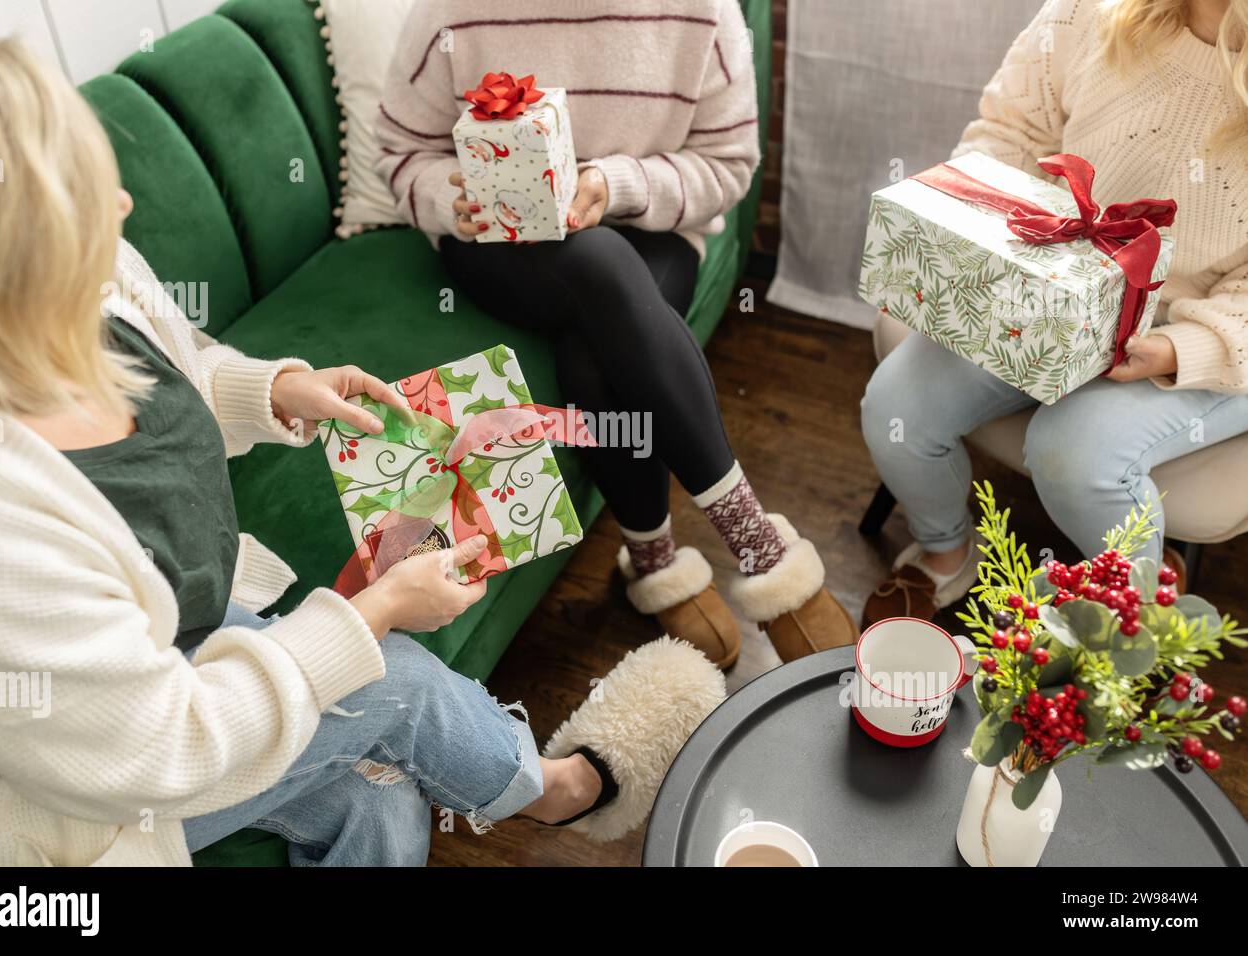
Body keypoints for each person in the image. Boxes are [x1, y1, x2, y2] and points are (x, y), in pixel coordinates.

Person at [0, 37, 722, 866]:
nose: (127, 205)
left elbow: (171, 375)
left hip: (192, 626)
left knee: (379, 802)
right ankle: (562, 793)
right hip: (96, 792)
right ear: (11, 242)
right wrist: (375, 613)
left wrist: (275, 390)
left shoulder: (92, 281)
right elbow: (160, 750)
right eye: (90, 191)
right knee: (399, 682)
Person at [375, 0, 859, 665]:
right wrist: (449, 196)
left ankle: (651, 560)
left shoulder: (702, 13)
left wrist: (615, 183)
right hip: (494, 243)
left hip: (649, 229)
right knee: (600, 265)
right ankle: (758, 547)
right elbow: (400, 153)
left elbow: (728, 167)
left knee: (598, 340)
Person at [860, 0, 1248, 626]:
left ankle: (1132, 615)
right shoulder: (1088, 12)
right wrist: (997, 252)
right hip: (1061, 281)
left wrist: (1179, 348)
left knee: (1073, 452)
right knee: (896, 407)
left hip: (1211, 327)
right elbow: (1010, 133)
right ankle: (947, 550)